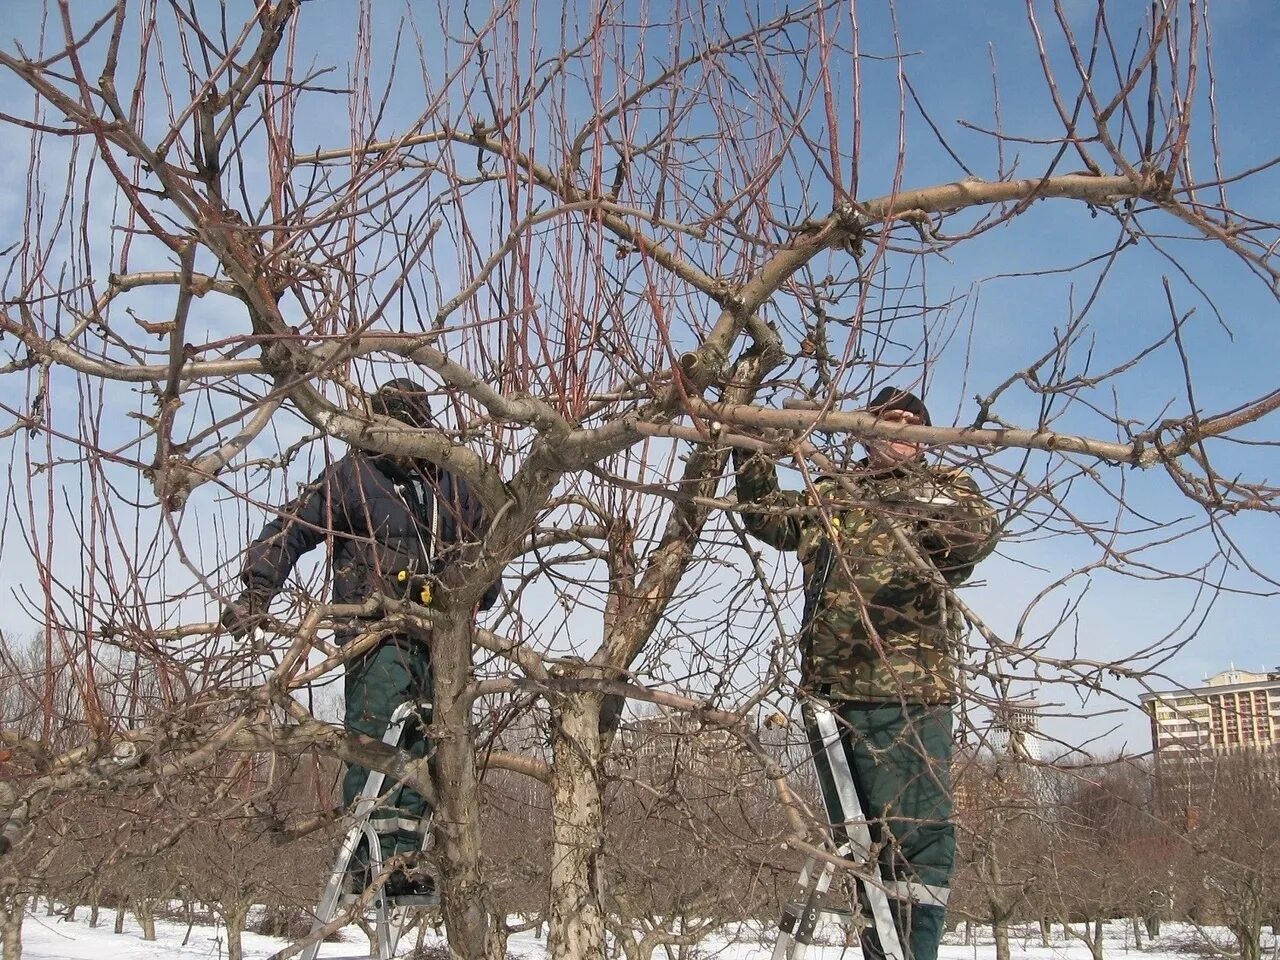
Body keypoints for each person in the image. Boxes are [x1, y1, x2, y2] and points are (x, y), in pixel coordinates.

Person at [734, 386, 999, 960]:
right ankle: (881, 946)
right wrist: (754, 447)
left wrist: (906, 500)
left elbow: (974, 534)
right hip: (829, 697)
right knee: (859, 846)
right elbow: (766, 518)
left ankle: (911, 952)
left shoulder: (946, 488)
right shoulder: (832, 492)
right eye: (887, 419)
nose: (901, 428)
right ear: (863, 431)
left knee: (916, 838)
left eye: (913, 422)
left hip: (906, 698)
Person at [221, 378, 500, 902]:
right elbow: (291, 528)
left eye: (410, 427)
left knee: (431, 746)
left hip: (442, 638)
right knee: (379, 735)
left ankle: (406, 859)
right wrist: (258, 592)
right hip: (374, 632)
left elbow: (488, 544)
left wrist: (480, 587)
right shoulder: (351, 475)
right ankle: (369, 863)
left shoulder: (451, 481)